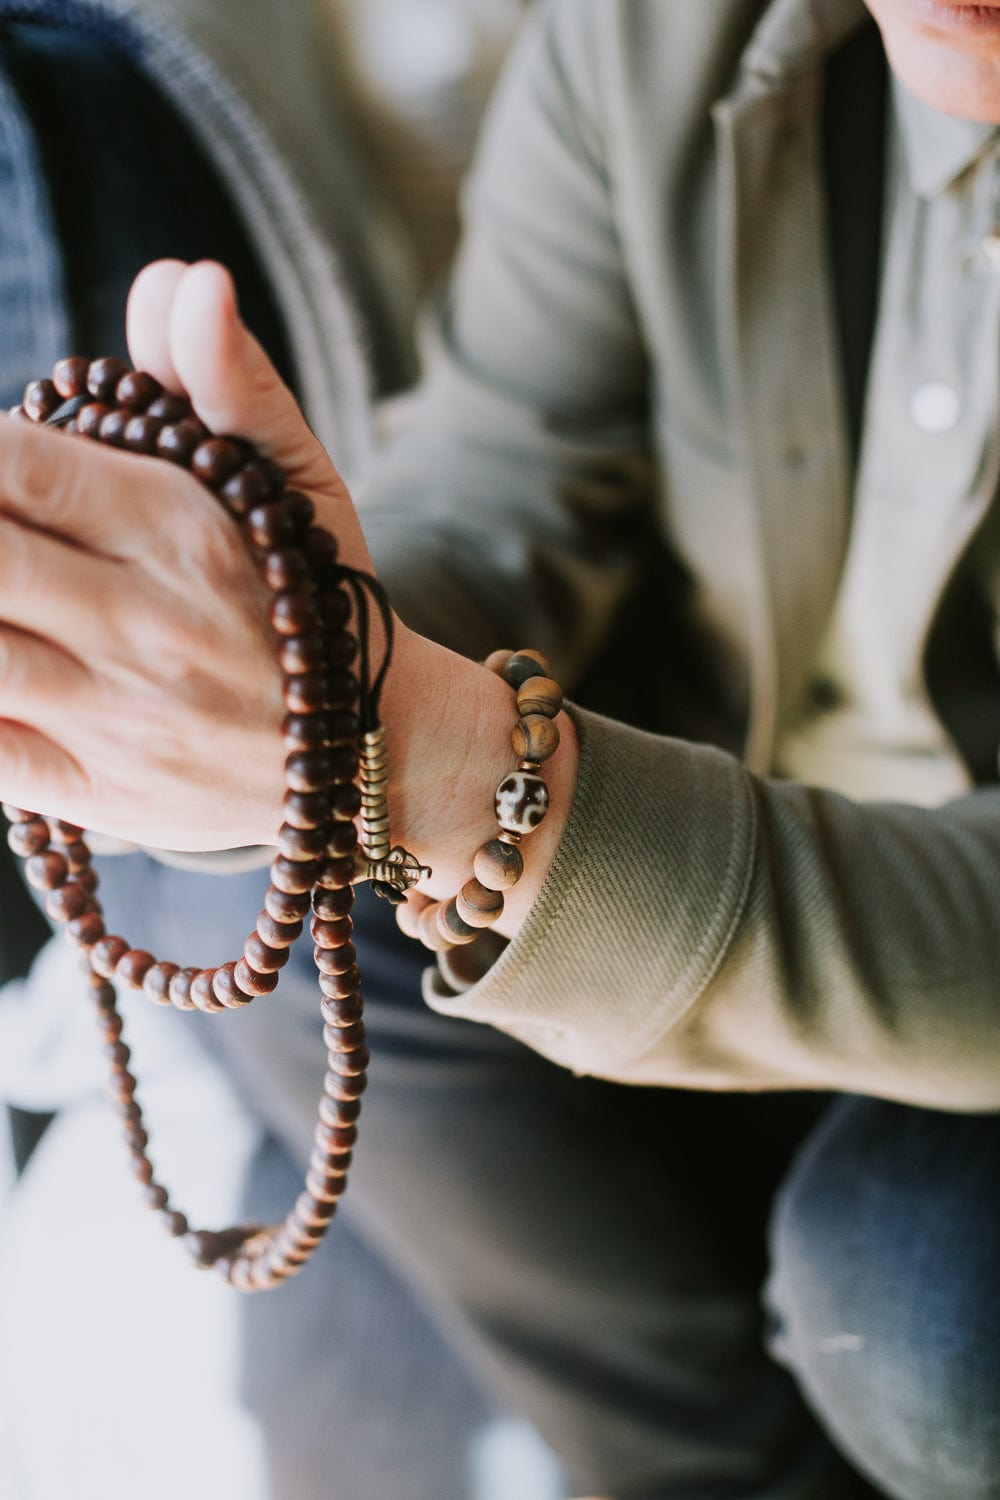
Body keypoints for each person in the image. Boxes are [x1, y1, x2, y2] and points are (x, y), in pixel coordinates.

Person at [1, 1, 1000, 1497]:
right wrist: (297, 648)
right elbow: (517, 463)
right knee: (248, 875)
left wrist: (446, 767)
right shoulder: (652, 36)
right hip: (710, 816)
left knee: (918, 1303)